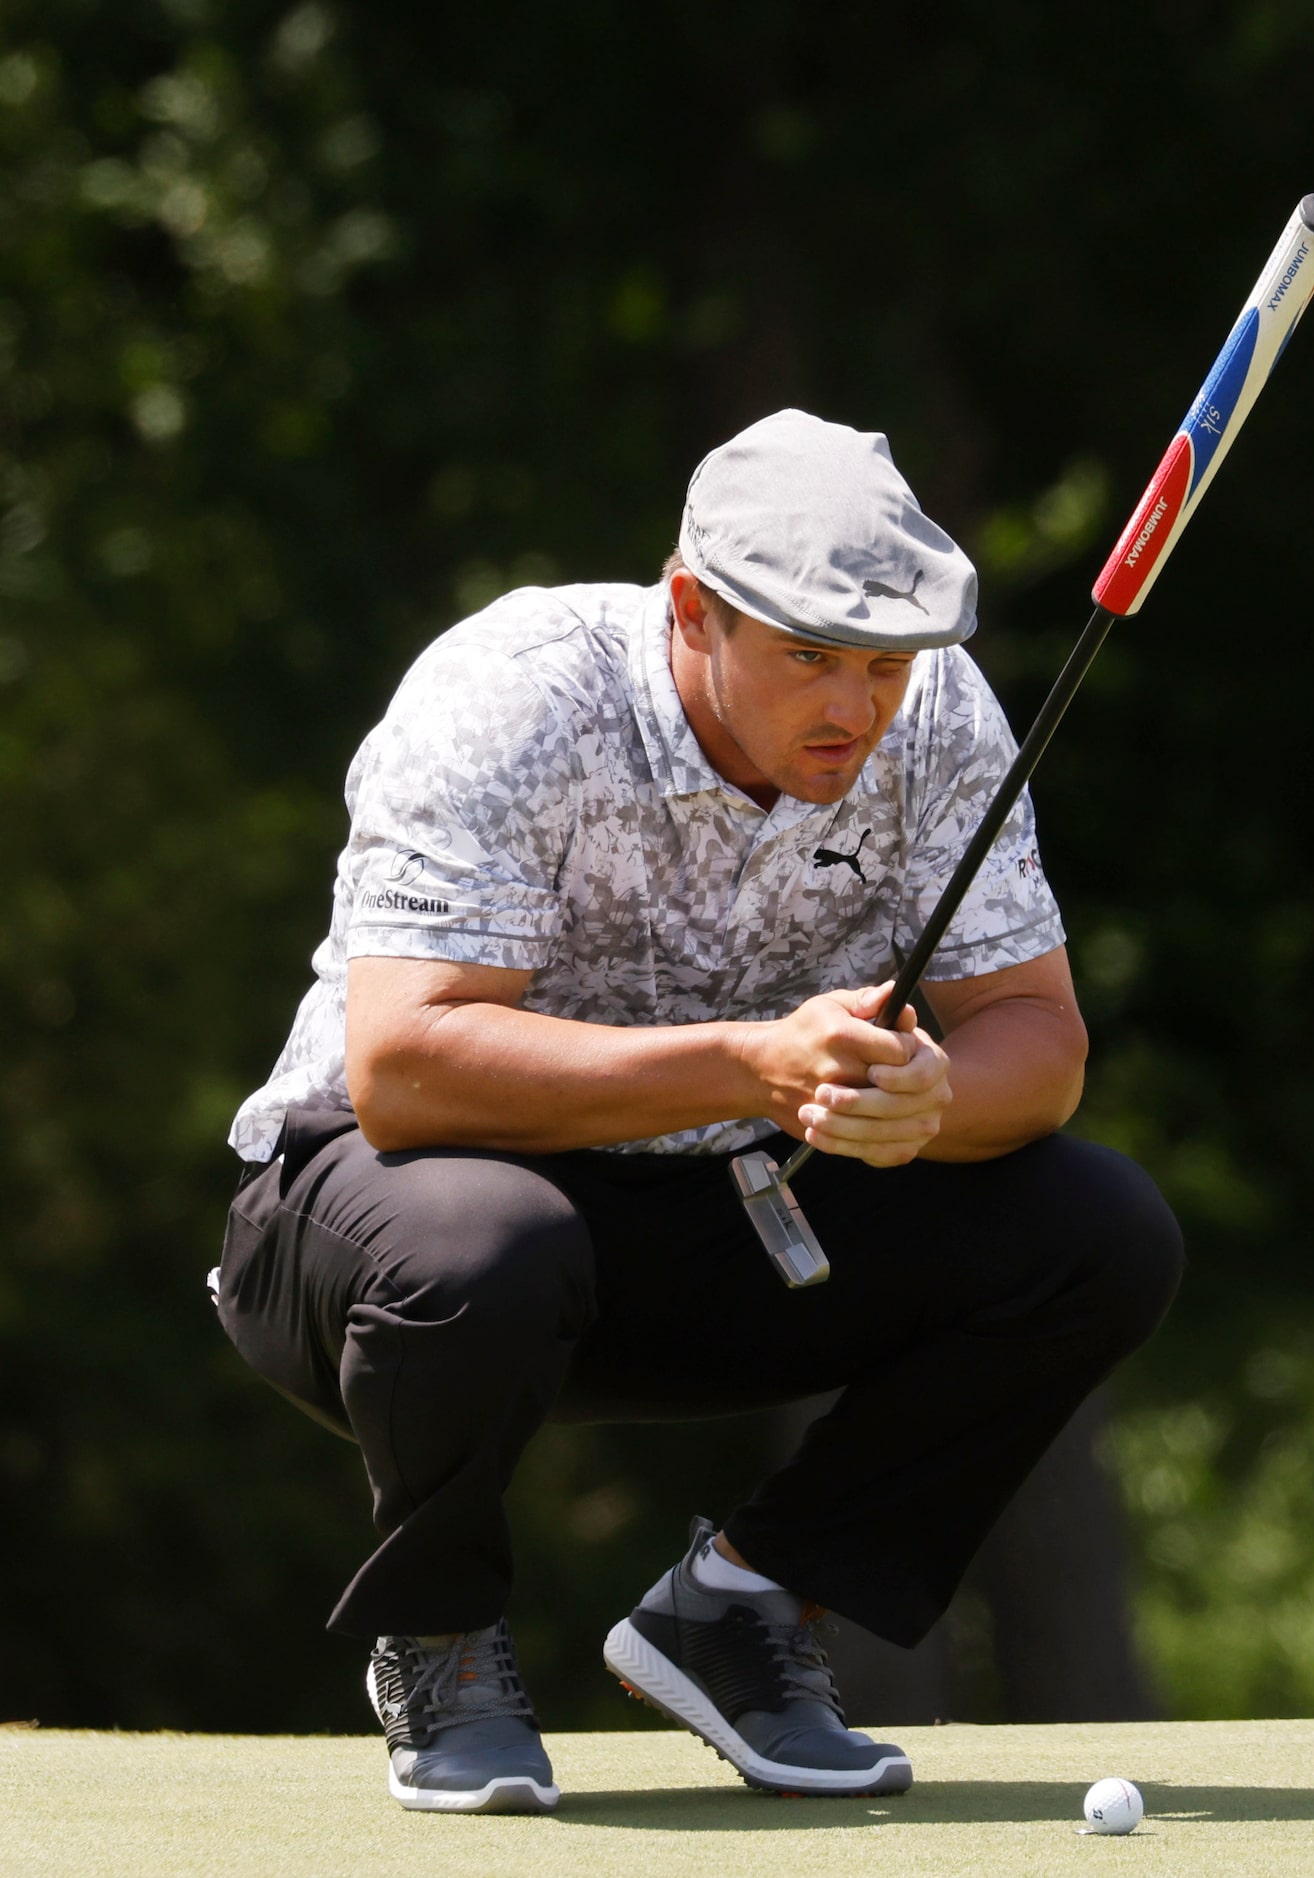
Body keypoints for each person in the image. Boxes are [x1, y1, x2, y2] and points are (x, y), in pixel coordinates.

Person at [209, 411, 1185, 1814]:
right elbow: (403, 1068)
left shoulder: (940, 713)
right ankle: (438, 1642)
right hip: (384, 1236)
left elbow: (1040, 1041)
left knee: (1103, 1227)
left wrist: (935, 1099)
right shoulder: (514, 691)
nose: (855, 704)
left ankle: (744, 1609)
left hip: (720, 1219)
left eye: (883, 663)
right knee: (488, 1239)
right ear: (691, 611)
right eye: (807, 656)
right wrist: (748, 1064)